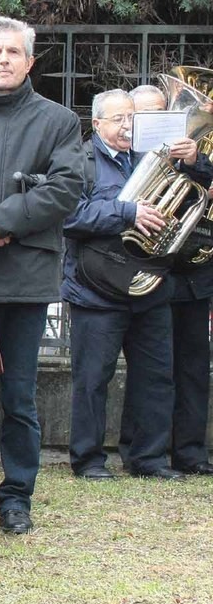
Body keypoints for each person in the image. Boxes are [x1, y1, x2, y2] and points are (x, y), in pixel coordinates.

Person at [0, 15, 83, 534]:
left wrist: (3, 220)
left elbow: (66, 188)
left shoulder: (59, 121)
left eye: (14, 52)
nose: (4, 60)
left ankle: (16, 497)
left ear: (30, 61)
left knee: (19, 397)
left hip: (26, 280)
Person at [62, 89, 203, 481]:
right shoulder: (80, 161)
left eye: (131, 119)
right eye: (117, 119)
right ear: (96, 124)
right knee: (93, 378)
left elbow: (196, 193)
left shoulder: (154, 159)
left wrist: (194, 160)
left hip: (151, 281)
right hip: (96, 288)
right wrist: (128, 212)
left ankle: (148, 458)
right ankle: (88, 459)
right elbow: (69, 214)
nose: (127, 126)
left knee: (156, 375)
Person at [132, 84, 213, 476]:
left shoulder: (196, 154)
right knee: (152, 369)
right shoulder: (124, 153)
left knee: (194, 366)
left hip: (193, 271)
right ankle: (147, 450)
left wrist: (196, 161)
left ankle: (191, 453)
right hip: (146, 273)